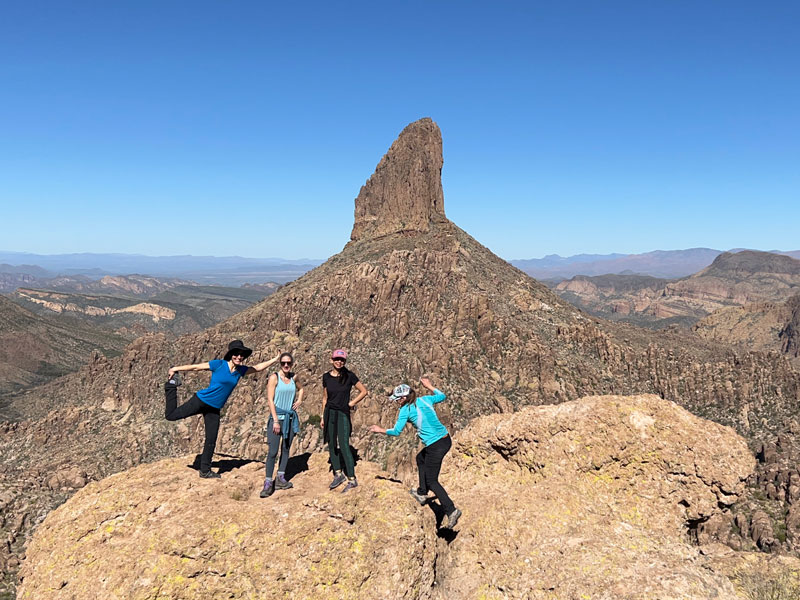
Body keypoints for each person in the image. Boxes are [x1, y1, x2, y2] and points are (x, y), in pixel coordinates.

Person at [165, 340, 279, 478]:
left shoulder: (240, 371)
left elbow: (258, 368)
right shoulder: (219, 364)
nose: (239, 357)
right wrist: (175, 369)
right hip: (201, 400)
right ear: (231, 354)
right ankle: (170, 386)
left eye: (242, 355)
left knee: (211, 439)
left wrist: (275, 359)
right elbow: (196, 367)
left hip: (214, 409)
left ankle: (205, 470)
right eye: (236, 354)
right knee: (171, 415)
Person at [368, 377, 461, 529]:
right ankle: (422, 492)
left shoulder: (405, 410)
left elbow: (397, 431)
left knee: (432, 481)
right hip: (446, 439)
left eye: (397, 399)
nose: (396, 402)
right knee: (420, 458)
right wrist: (429, 386)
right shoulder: (425, 400)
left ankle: (451, 510)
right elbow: (442, 396)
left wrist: (380, 430)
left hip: (435, 445)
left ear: (404, 398)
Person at [321, 349, 369, 493]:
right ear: (331, 360)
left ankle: (352, 479)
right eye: (337, 359)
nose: (339, 362)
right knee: (331, 443)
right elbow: (325, 397)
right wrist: (323, 416)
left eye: (342, 360)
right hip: (330, 412)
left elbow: (364, 391)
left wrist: (351, 403)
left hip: (342, 413)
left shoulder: (349, 376)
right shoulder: (326, 377)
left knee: (344, 445)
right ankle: (338, 473)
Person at [260, 352, 303, 498]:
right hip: (277, 419)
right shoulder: (274, 377)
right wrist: (276, 420)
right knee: (272, 451)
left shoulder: (293, 377)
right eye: (283, 363)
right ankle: (267, 482)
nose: (286, 365)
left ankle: (280, 477)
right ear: (280, 363)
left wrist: (300, 400)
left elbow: (301, 388)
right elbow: (270, 400)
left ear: (292, 364)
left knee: (286, 449)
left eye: (288, 363)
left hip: (290, 419)